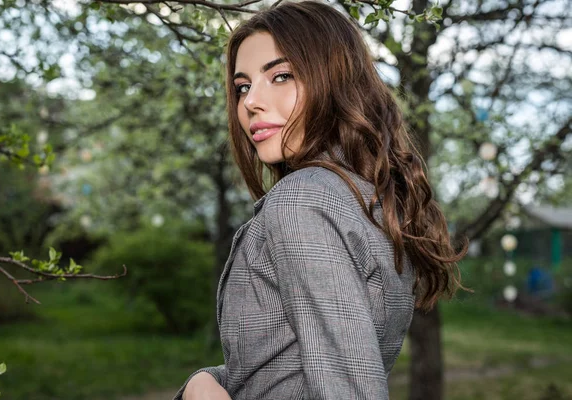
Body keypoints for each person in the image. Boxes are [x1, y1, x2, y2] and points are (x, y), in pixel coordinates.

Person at [175, 1, 467, 399]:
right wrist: (207, 382)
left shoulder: (301, 202)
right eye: (243, 86)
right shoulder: (366, 201)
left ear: (334, 80)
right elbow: (283, 364)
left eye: (281, 76)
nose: (249, 102)